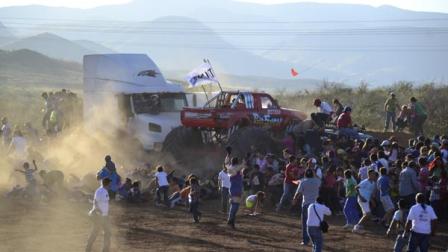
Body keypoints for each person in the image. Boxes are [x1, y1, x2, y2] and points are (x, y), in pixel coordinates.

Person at [293, 168, 321, 246]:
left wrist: (294, 199)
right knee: (315, 223)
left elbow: (298, 193)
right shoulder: (317, 181)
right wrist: (314, 173)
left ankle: (305, 240)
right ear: (313, 174)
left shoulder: (303, 182)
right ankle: (315, 240)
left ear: (305, 174)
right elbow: (319, 179)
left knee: (305, 223)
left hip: (306, 204)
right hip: (315, 205)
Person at [86, 178, 111, 252]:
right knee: (95, 232)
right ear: (107, 184)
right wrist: (97, 210)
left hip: (104, 216)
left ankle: (105, 249)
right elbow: (95, 201)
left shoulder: (105, 191)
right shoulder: (100, 191)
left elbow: (104, 203)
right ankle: (88, 248)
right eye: (110, 183)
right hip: (99, 216)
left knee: (107, 232)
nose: (110, 185)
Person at [227, 157, 243, 229]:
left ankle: (231, 221)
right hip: (236, 189)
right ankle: (230, 220)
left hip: (234, 188)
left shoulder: (232, 168)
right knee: (235, 206)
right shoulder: (234, 169)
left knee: (234, 205)